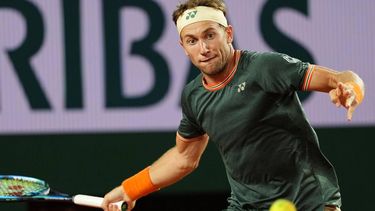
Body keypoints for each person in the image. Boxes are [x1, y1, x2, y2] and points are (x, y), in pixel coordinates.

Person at [101, 0, 365, 210]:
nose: (203, 48)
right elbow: (183, 159)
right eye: (192, 40)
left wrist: (350, 89)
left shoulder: (265, 67)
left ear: (228, 34)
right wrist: (130, 189)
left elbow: (340, 78)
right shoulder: (193, 96)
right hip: (246, 205)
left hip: (309, 201)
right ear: (183, 47)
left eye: (210, 35)